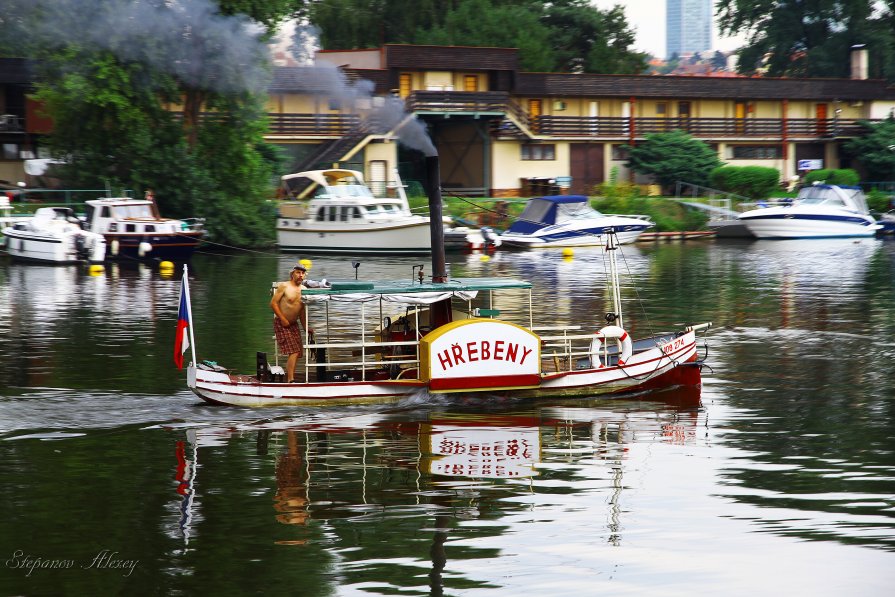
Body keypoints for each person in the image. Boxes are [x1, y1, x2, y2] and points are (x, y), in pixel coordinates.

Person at [271, 264, 314, 382]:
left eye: (302, 273)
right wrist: (283, 319)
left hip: (294, 324)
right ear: (292, 274)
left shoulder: (304, 290)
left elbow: (301, 311)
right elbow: (273, 304)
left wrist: (305, 327)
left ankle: (290, 377)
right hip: (281, 323)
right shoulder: (284, 286)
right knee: (294, 351)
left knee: (298, 352)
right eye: (298, 272)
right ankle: (290, 380)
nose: (300, 275)